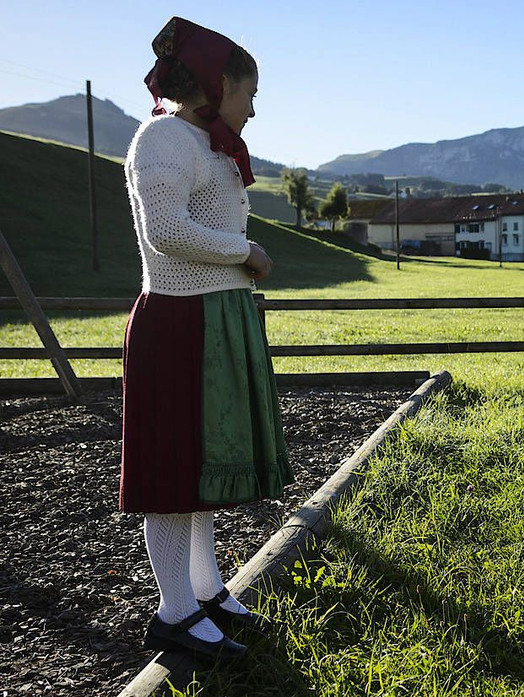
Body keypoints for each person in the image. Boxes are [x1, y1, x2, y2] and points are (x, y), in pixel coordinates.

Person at [120, 16, 293, 662]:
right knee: (171, 470)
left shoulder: (209, 143)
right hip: (176, 323)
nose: (254, 106)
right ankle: (174, 614)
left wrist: (236, 262)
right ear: (218, 86)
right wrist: (244, 250)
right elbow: (166, 229)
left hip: (213, 321)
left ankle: (205, 590)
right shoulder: (163, 136)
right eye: (248, 92)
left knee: (199, 467)